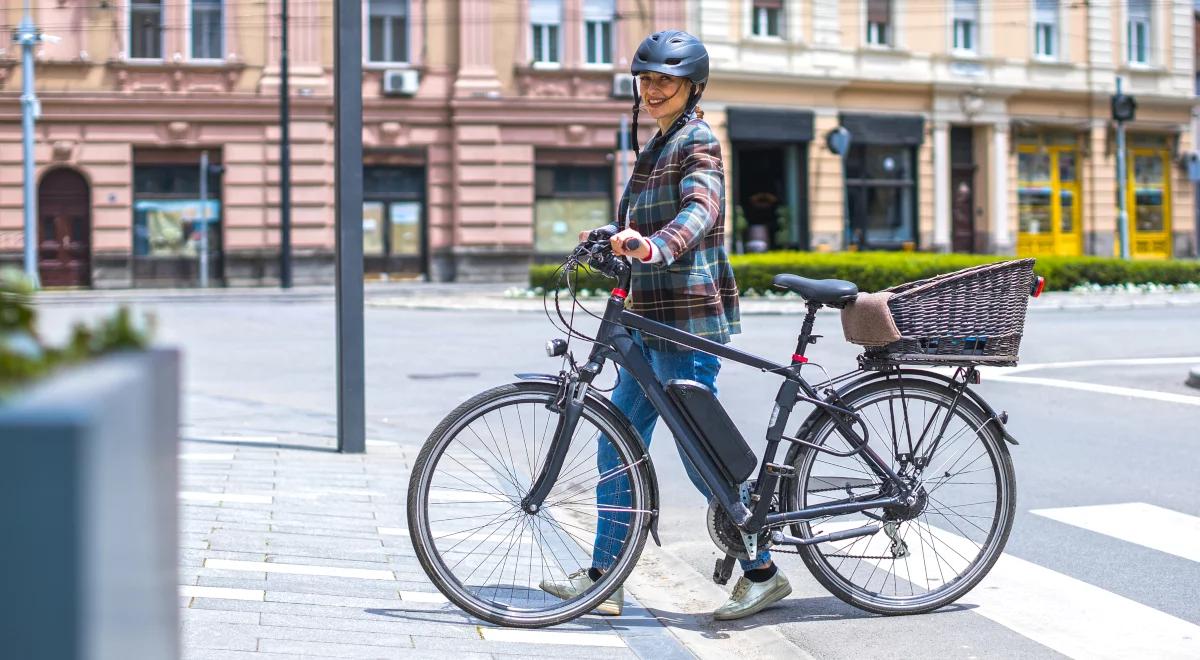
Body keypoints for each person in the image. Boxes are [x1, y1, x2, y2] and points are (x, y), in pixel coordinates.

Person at [540, 29, 792, 621]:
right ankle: (606, 578)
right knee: (617, 444)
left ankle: (763, 572)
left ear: (692, 87)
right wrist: (612, 236)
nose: (652, 90)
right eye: (646, 80)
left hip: (686, 320)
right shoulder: (656, 142)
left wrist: (657, 246)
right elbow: (647, 218)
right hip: (647, 319)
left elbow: (701, 208)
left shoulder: (697, 138)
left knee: (701, 454)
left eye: (665, 82)